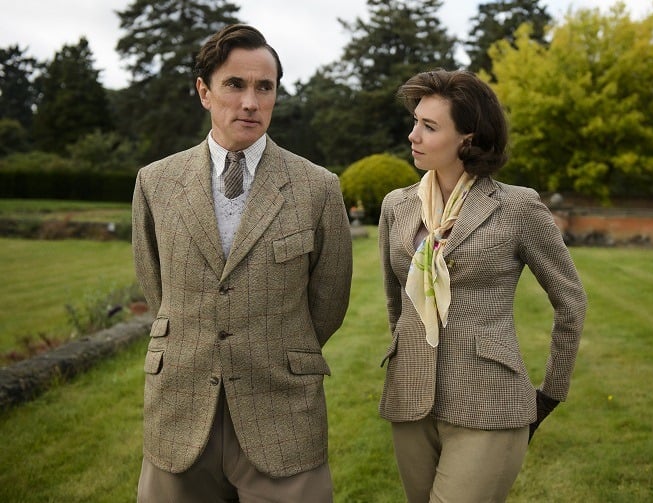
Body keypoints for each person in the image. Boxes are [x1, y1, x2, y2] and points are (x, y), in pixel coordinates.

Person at [131, 24, 353, 503]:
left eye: (264, 87)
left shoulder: (317, 187)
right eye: (235, 85)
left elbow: (329, 300)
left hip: (282, 411)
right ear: (204, 92)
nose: (250, 101)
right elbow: (157, 289)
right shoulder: (156, 182)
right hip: (181, 410)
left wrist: (278, 345)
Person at [378, 69, 587, 502]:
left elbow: (571, 302)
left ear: (468, 139)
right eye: (415, 121)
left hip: (490, 403)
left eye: (429, 126)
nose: (413, 135)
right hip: (409, 401)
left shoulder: (517, 207)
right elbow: (396, 302)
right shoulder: (396, 206)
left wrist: (550, 394)